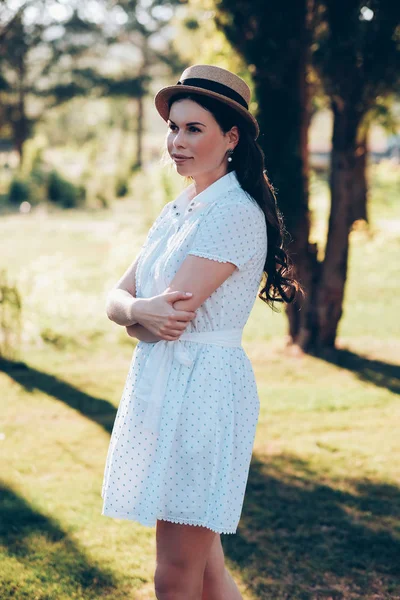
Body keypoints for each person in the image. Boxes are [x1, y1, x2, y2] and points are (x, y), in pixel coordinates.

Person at [101, 64, 303, 600]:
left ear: (231, 137)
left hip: (203, 395)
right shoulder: (178, 211)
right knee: (207, 572)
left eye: (194, 129)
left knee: (175, 574)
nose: (177, 142)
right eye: (174, 127)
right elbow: (119, 300)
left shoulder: (234, 213)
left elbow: (165, 323)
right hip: (165, 387)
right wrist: (137, 309)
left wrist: (137, 313)